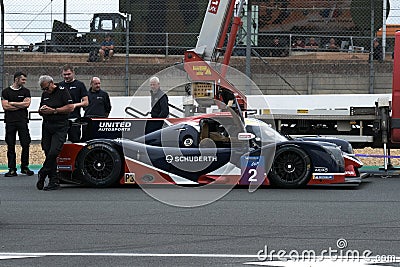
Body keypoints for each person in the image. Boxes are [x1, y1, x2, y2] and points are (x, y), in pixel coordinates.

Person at [37, 75, 74, 191]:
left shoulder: (62, 91)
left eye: (46, 88)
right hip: (47, 125)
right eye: (43, 89)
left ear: (51, 83)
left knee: (54, 151)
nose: (45, 91)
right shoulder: (45, 94)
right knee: (47, 151)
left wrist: (54, 111)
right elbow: (40, 110)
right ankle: (53, 180)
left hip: (60, 125)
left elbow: (70, 107)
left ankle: (43, 172)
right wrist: (42, 110)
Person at [1, 71, 34, 177]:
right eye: (23, 79)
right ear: (16, 79)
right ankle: (12, 169)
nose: (24, 82)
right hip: (10, 122)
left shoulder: (26, 91)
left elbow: (27, 104)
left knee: (25, 144)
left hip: (22, 121)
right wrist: (20, 104)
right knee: (10, 145)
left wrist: (13, 103)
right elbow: (5, 106)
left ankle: (24, 167)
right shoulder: (6, 92)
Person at [59, 64, 88, 143]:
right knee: (60, 141)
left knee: (75, 141)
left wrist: (74, 105)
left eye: (68, 74)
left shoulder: (79, 85)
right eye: (65, 75)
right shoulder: (59, 85)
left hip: (74, 118)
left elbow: (86, 102)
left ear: (73, 73)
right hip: (62, 119)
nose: (67, 76)